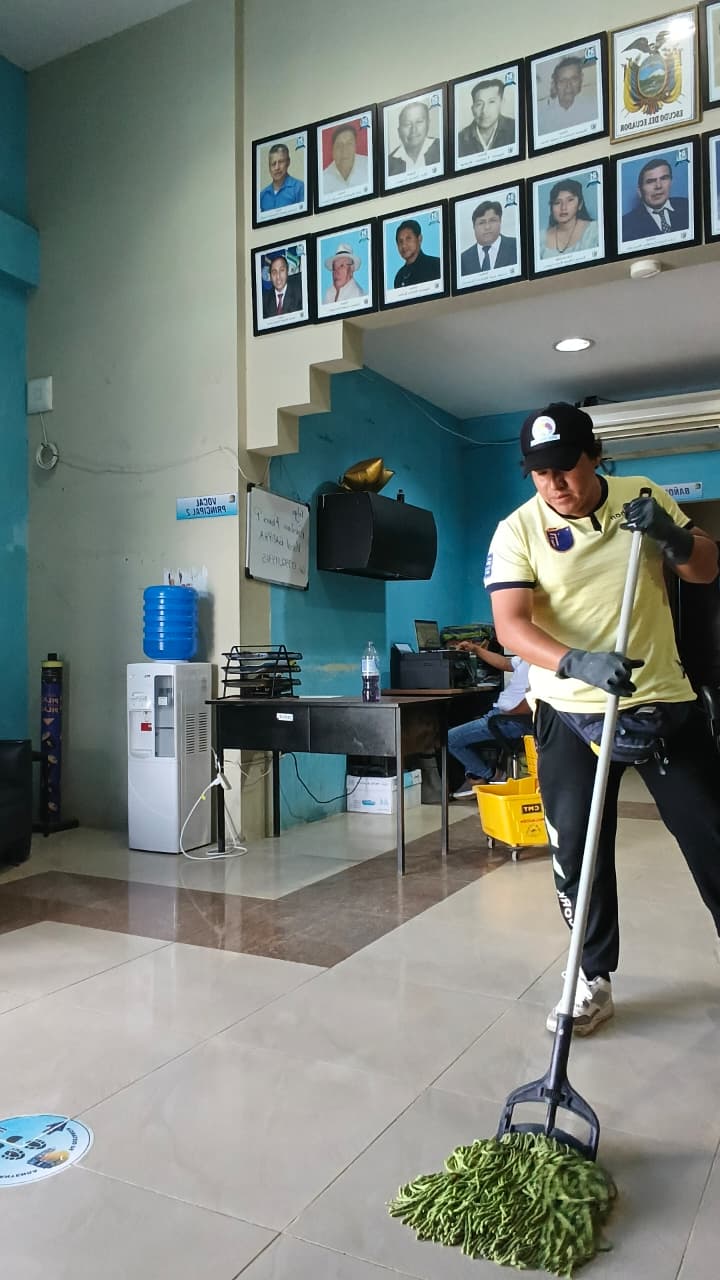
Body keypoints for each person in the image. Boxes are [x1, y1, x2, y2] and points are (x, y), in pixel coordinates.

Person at [484, 401, 720, 1036]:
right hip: (568, 710)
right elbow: (510, 626)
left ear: (595, 458)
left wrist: (673, 537)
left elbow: (705, 569)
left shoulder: (641, 495)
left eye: (567, 467)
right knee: (578, 851)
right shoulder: (517, 530)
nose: (555, 484)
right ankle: (592, 977)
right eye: (541, 473)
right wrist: (575, 662)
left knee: (711, 830)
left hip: (659, 696)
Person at [449, 649, 531, 796]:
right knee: (464, 718)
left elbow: (534, 700)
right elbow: (506, 663)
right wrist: (476, 649)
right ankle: (475, 776)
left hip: (509, 721)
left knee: (450, 738)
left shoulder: (539, 661)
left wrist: (509, 712)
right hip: (502, 716)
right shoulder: (528, 655)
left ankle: (490, 775)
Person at [621, 157, 689, 240]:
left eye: (664, 178)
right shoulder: (625, 224)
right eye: (650, 181)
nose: (658, 186)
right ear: (639, 191)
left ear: (671, 182)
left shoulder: (688, 205)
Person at [537, 54, 597, 133]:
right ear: (555, 84)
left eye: (574, 79)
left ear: (581, 79)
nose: (568, 86)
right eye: (563, 81)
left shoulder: (593, 107)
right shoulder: (542, 117)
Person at [539, 178, 598, 259]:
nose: (563, 207)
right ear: (551, 208)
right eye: (557, 202)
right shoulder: (540, 239)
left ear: (580, 204)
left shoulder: (594, 230)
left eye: (570, 200)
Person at [457, 79, 516, 157]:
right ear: (472, 109)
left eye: (491, 102)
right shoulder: (460, 139)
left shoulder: (514, 128)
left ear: (501, 103)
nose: (484, 110)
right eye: (479, 104)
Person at [460, 200, 517, 275]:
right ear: (474, 227)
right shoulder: (463, 259)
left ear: (500, 221)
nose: (487, 227)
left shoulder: (516, 246)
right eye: (481, 223)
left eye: (492, 220)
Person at [388, 100, 440, 176]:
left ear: (428, 124)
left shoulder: (442, 147)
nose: (413, 130)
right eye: (407, 124)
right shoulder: (388, 164)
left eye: (419, 122)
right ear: (399, 131)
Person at [322, 123, 369, 195]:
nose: (344, 150)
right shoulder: (323, 179)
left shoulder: (368, 164)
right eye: (339, 145)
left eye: (349, 144)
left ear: (355, 146)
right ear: (332, 151)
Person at [392, 219, 441, 288]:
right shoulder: (399, 276)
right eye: (400, 241)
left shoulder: (436, 265)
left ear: (419, 239)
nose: (404, 245)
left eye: (408, 239)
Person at [259, 143, 305, 213]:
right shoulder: (262, 196)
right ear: (269, 167)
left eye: (280, 162)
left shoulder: (299, 188)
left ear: (288, 162)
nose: (277, 167)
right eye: (273, 164)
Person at [262, 252, 303, 318]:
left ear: (287, 272)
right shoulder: (264, 301)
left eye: (282, 270)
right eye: (274, 272)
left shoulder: (301, 290)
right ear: (270, 276)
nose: (278, 277)